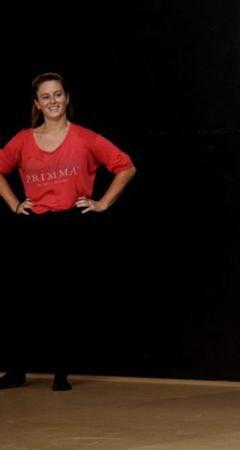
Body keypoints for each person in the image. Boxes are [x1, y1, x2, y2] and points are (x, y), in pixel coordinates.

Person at [0, 72, 137, 392]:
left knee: (62, 299)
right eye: (45, 96)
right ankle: (16, 370)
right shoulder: (22, 139)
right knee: (21, 299)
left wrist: (102, 202)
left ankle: (61, 373)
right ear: (37, 103)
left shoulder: (86, 138)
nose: (52, 101)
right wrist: (13, 203)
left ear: (67, 98)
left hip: (70, 225)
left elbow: (126, 166)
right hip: (34, 226)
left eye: (57, 95)